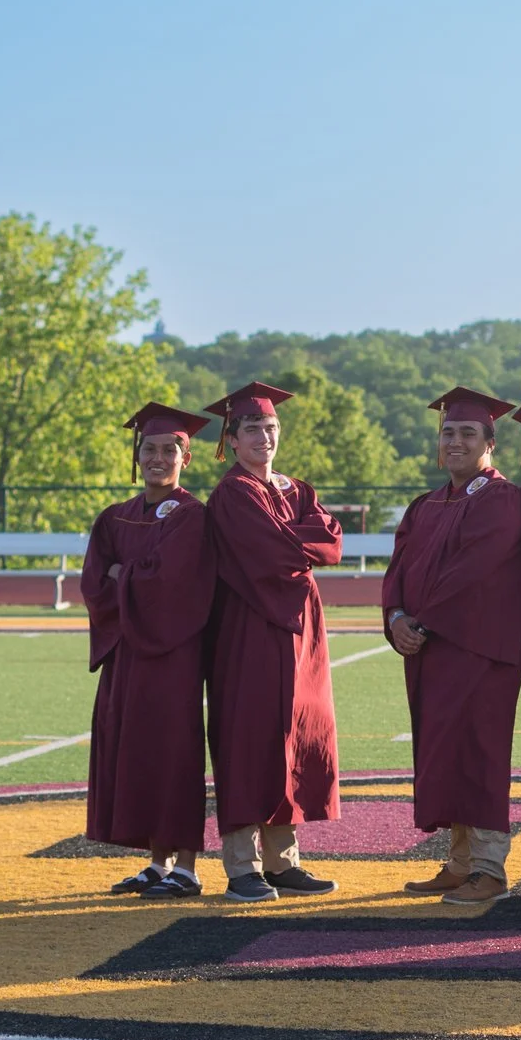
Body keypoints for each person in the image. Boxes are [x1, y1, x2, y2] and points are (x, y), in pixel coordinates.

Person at [200, 381, 343, 903]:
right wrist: (301, 542)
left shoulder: (293, 488)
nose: (264, 436)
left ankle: (283, 862)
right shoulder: (233, 493)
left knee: (293, 740)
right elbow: (273, 554)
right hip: (249, 629)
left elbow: (332, 541)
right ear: (232, 440)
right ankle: (243, 867)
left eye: (271, 427)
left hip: (300, 633)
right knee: (248, 741)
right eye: (252, 428)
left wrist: (296, 540)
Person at [386, 387, 521, 906]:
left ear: (491, 443)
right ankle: (460, 863)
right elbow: (397, 570)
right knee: (446, 755)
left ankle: (489, 868)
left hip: (479, 649)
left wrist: (421, 622)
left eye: (468, 433)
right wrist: (396, 618)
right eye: (448, 432)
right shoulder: (426, 504)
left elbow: (473, 571)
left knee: (479, 754)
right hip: (431, 650)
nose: (455, 441)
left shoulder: (500, 499)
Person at [82, 403, 216, 899]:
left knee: (174, 754)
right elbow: (94, 582)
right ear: (137, 456)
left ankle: (188, 867)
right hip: (124, 654)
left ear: (186, 458)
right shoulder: (114, 517)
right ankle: (158, 864)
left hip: (171, 655)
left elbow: (174, 585)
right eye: (149, 449)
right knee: (134, 751)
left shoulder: (192, 516)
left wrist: (124, 576)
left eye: (168, 451)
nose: (158, 458)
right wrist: (130, 581)